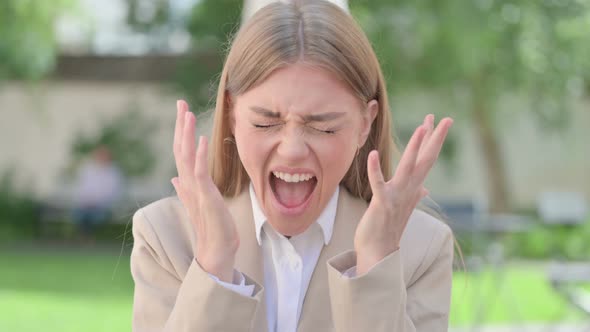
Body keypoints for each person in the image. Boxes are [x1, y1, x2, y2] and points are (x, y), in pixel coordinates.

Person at [130, 1, 454, 331]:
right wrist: (214, 267)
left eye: (324, 127)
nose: (293, 150)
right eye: (265, 123)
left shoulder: (420, 248)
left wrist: (374, 266)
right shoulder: (167, 238)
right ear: (230, 114)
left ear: (365, 124)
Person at [72, 145, 123, 241]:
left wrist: (97, 201)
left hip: (104, 206)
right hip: (86, 204)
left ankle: (87, 239)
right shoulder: (88, 170)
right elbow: (82, 189)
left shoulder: (113, 173)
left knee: (94, 215)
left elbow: (113, 192)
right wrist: (86, 200)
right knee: (80, 213)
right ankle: (85, 238)